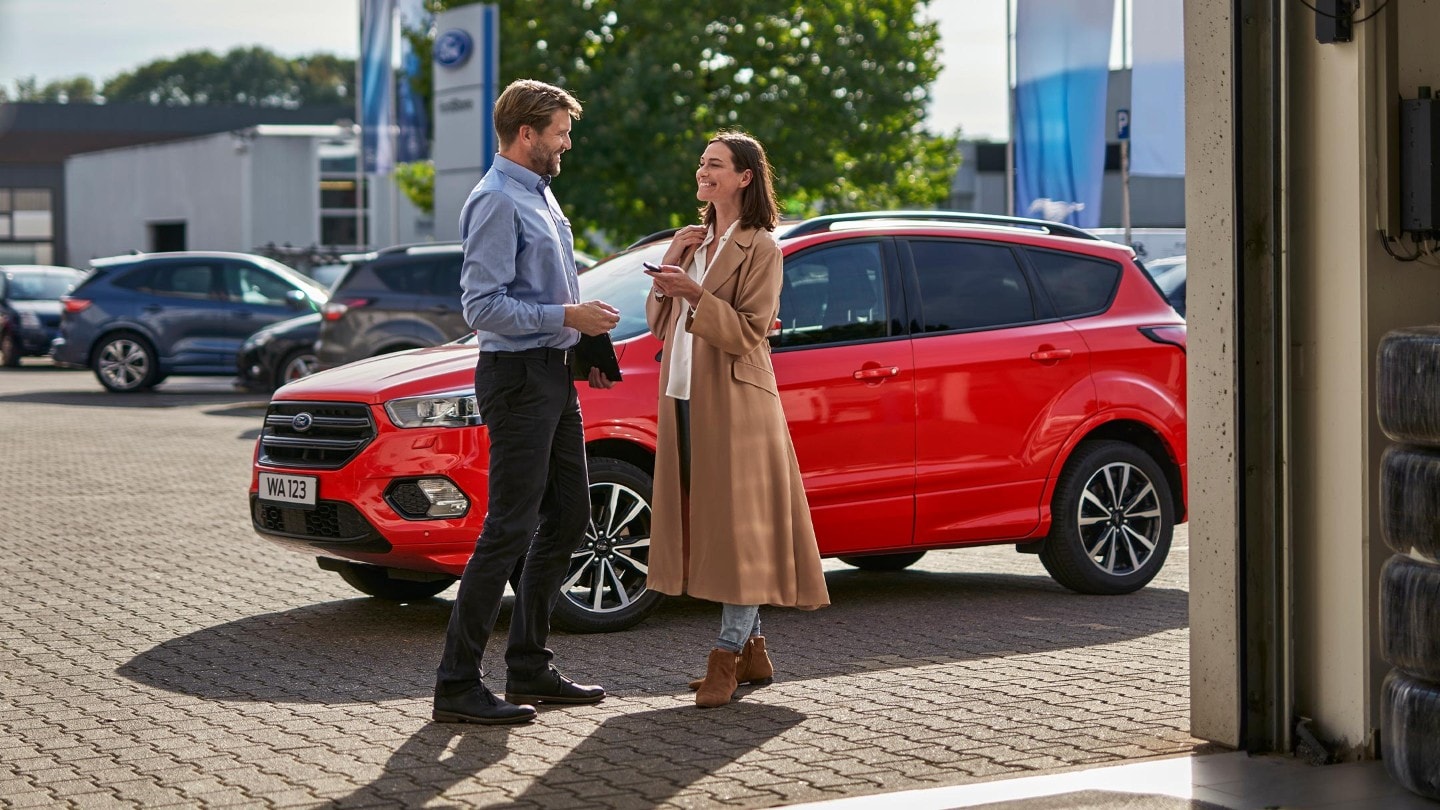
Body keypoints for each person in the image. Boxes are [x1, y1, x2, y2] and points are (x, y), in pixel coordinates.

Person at [433, 79, 620, 726]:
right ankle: (457, 683)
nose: (567, 141)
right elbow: (482, 308)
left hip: (551, 374)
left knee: (569, 514)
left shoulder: (541, 195)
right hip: (515, 379)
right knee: (509, 527)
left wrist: (583, 337)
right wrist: (566, 314)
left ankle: (529, 665)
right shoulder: (495, 201)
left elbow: (554, 285)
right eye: (561, 131)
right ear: (528, 133)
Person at [644, 131, 830, 708]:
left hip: (737, 401)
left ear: (744, 177)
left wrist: (696, 292)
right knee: (715, 527)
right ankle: (753, 652)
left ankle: (726, 656)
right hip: (683, 396)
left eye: (716, 164)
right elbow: (656, 321)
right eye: (701, 162)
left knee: (739, 529)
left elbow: (750, 331)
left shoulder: (763, 247)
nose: (704, 171)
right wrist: (675, 261)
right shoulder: (694, 241)